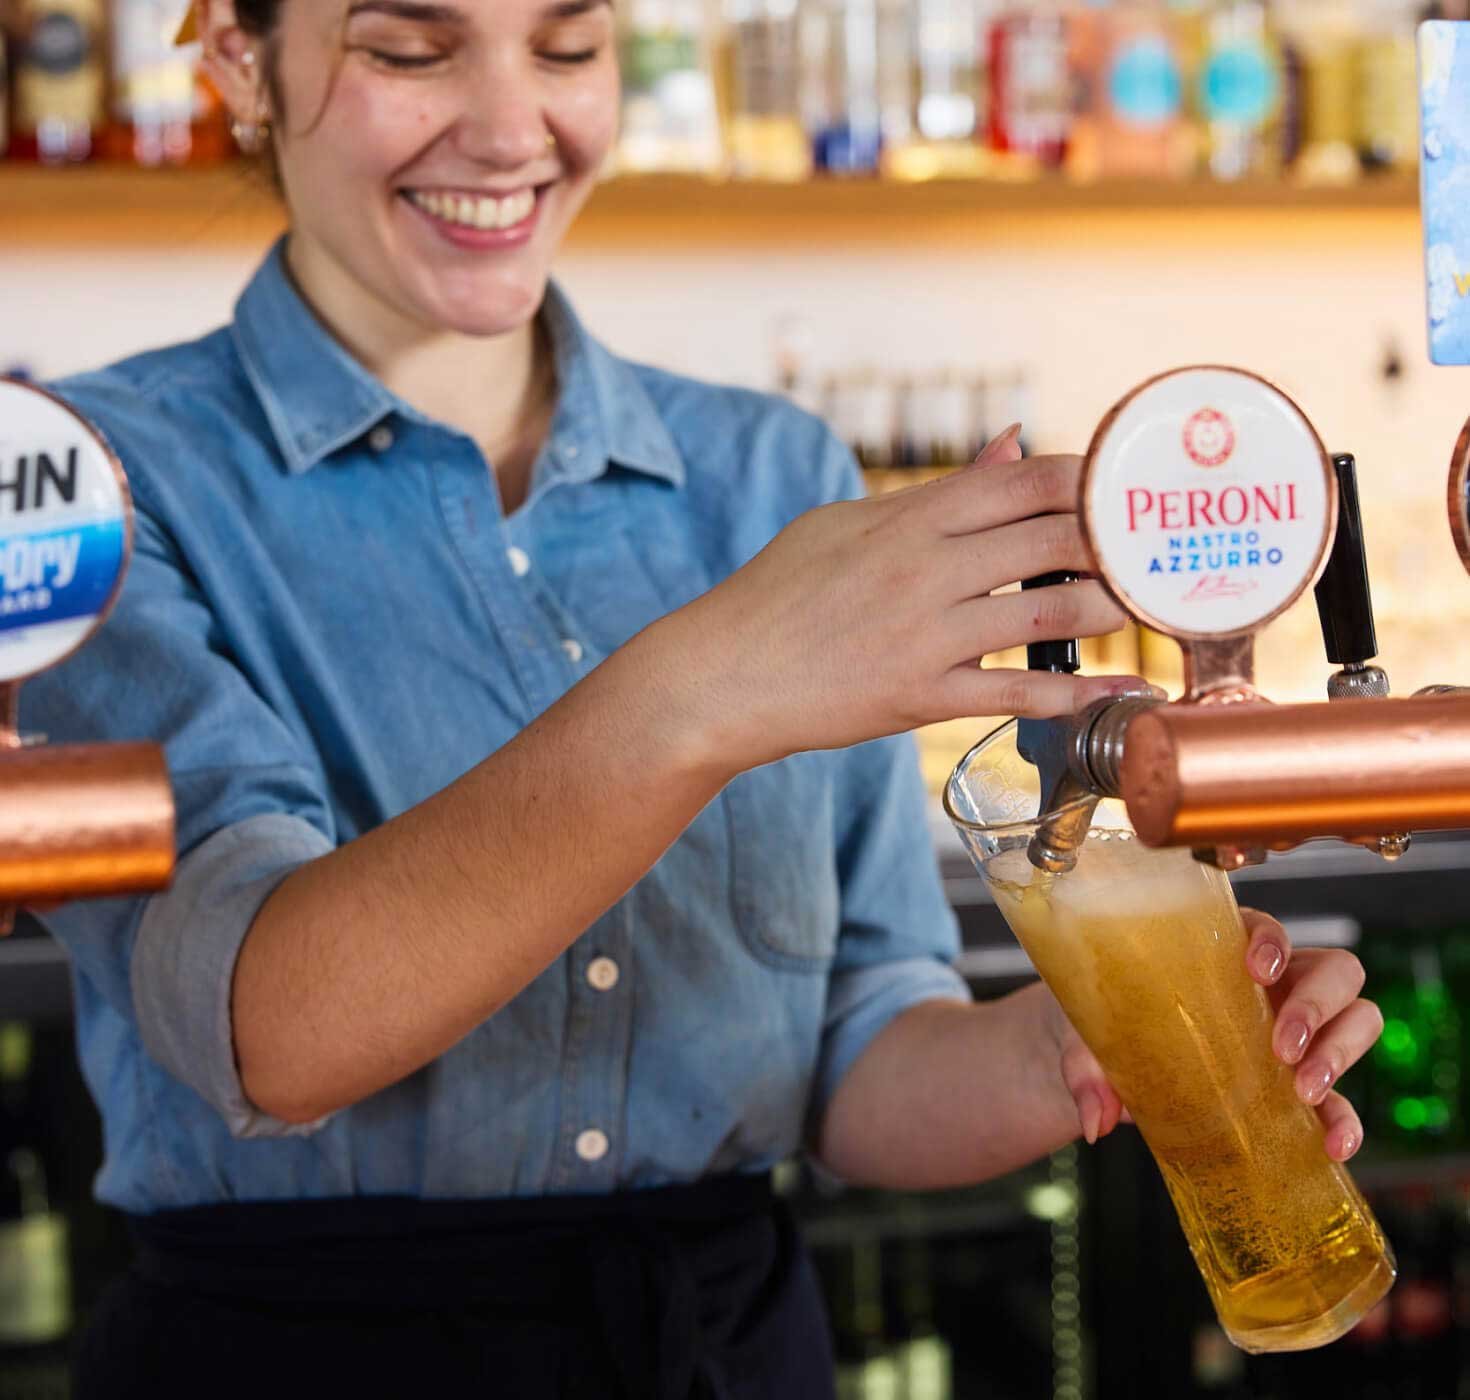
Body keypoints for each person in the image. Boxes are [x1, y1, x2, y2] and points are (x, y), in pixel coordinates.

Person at [27, 0, 1385, 1394]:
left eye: (565, 49)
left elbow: (859, 1063)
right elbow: (268, 1033)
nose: (510, 129)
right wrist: (704, 687)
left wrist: (1093, 1043)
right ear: (242, 66)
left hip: (731, 1351)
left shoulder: (767, 472)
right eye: (407, 49)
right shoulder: (90, 489)